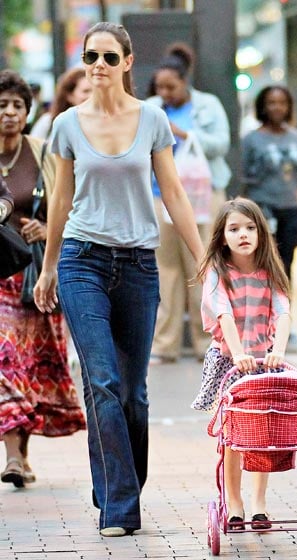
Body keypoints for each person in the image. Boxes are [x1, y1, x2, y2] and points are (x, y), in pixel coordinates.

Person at [33, 22, 205, 537]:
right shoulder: (66, 124)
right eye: (92, 57)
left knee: (133, 393)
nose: (99, 66)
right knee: (102, 381)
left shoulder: (152, 119)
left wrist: (202, 257)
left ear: (128, 63)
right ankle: (120, 505)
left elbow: (172, 191)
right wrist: (48, 266)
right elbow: (61, 201)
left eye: (109, 57)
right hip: (81, 262)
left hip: (137, 264)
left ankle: (117, 480)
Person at [0, 69, 86, 489]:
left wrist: (44, 227)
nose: (10, 113)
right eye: (2, 106)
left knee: (29, 365)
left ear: (27, 112)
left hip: (33, 274)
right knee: (5, 357)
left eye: (17, 106)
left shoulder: (41, 151)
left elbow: (63, 203)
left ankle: (21, 457)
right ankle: (13, 456)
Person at [191, 197, 291, 531]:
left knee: (262, 433)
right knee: (234, 437)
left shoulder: (270, 272)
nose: (243, 234)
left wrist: (278, 349)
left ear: (261, 233)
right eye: (234, 229)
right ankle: (234, 502)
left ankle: (259, 504)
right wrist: (238, 354)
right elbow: (224, 313)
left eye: (250, 228)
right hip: (229, 362)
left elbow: (283, 311)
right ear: (222, 237)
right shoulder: (219, 273)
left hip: (263, 362)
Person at [146, 42, 231, 365]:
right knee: (165, 270)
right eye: (160, 87)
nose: (165, 93)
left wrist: (182, 134)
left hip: (201, 197)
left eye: (171, 86)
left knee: (203, 266)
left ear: (185, 80)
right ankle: (165, 345)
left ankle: (206, 343)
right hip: (159, 197)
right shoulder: (152, 107)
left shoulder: (207, 105)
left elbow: (221, 143)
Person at [241, 85, 297, 281]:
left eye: (282, 103)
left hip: (291, 208)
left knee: (286, 263)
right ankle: (262, 307)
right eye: (272, 103)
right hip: (263, 208)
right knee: (264, 261)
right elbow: (244, 177)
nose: (277, 108)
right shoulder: (251, 140)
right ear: (263, 107)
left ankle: (283, 308)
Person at [30, 67, 92, 140]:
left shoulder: (102, 123)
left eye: (95, 91)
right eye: (86, 91)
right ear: (70, 95)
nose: (91, 96)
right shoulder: (48, 122)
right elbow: (33, 148)